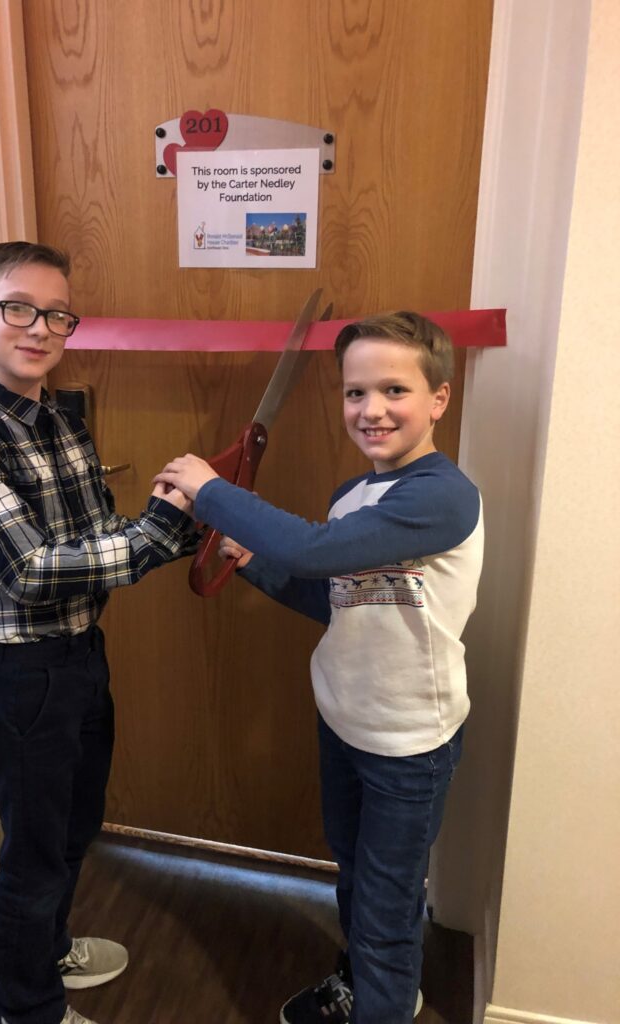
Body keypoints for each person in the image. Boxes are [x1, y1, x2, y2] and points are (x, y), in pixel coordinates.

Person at [155, 312, 484, 1024]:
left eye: (394, 389)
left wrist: (210, 489)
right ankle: (364, 985)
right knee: (356, 875)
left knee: (389, 907)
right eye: (354, 392)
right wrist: (248, 564)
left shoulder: (442, 496)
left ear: (439, 399)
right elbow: (332, 594)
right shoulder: (352, 495)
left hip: (408, 744)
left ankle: (384, 998)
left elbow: (308, 550)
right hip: (344, 717)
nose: (371, 410)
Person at [0, 241, 198, 1024]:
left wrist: (167, 522)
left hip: (78, 655)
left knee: (73, 828)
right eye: (17, 308)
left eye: (56, 314)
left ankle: (40, 956)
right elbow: (33, 570)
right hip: (18, 672)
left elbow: (96, 536)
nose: (39, 328)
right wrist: (157, 532)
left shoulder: (56, 418)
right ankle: (22, 1009)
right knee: (35, 854)